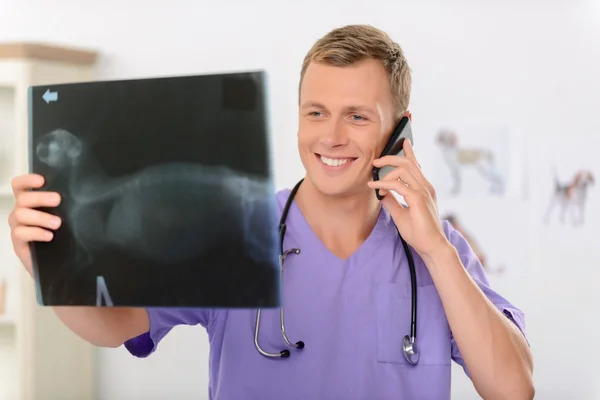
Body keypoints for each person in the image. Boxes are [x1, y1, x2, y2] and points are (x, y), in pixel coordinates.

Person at [8, 24, 534, 400]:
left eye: (357, 116)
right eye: (316, 113)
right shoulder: (231, 228)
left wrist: (436, 252)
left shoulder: (440, 252)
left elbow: (513, 389)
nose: (331, 136)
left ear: (401, 128)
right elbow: (116, 324)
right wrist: (48, 267)